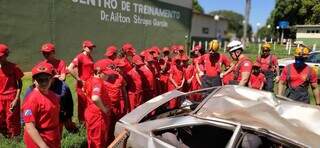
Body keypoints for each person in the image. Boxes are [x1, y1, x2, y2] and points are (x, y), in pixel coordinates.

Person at [25, 43, 77, 134]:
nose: (46, 55)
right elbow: (35, 80)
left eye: (48, 53)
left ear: (53, 52)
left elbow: (63, 78)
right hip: (44, 92)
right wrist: (54, 76)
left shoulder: (60, 63)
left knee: (60, 109)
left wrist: (55, 78)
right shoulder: (40, 64)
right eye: (44, 53)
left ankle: (67, 123)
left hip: (57, 90)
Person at [22, 63, 60, 148]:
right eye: (40, 80)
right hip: (40, 139)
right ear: (34, 81)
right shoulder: (32, 100)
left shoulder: (52, 95)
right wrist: (43, 146)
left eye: (46, 79)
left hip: (52, 136)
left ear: (51, 79)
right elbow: (29, 127)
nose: (44, 83)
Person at [83, 62, 113, 147]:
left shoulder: (90, 79)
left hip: (90, 112)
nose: (108, 76)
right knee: (99, 141)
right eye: (106, 74)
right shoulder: (98, 82)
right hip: (98, 116)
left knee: (92, 139)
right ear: (99, 72)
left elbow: (85, 91)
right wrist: (104, 109)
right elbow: (95, 97)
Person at [68, 40, 95, 123]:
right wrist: (78, 79)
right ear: (84, 47)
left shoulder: (90, 57)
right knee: (83, 104)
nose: (91, 49)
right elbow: (69, 68)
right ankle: (82, 123)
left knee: (88, 103)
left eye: (92, 47)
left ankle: (87, 122)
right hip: (83, 85)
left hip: (90, 84)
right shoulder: (80, 56)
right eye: (89, 47)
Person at [0, 44, 24, 138]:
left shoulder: (14, 67)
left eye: (1, 56)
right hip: (0, 97)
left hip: (11, 97)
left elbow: (20, 84)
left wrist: (16, 99)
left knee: (11, 119)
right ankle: (4, 134)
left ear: (6, 55)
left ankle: (13, 139)